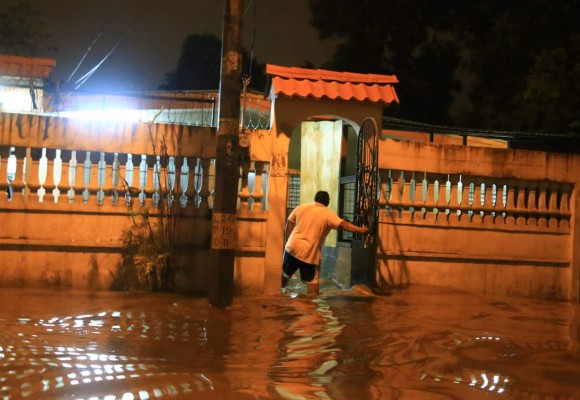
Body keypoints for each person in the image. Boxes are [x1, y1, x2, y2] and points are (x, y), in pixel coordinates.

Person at [282, 190, 369, 294]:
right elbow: (343, 225)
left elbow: (289, 221)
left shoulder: (301, 207)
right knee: (312, 288)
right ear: (327, 202)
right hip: (309, 254)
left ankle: (277, 296)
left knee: (284, 277)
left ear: (315, 199)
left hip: (291, 248)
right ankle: (308, 309)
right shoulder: (328, 213)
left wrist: (288, 240)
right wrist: (361, 230)